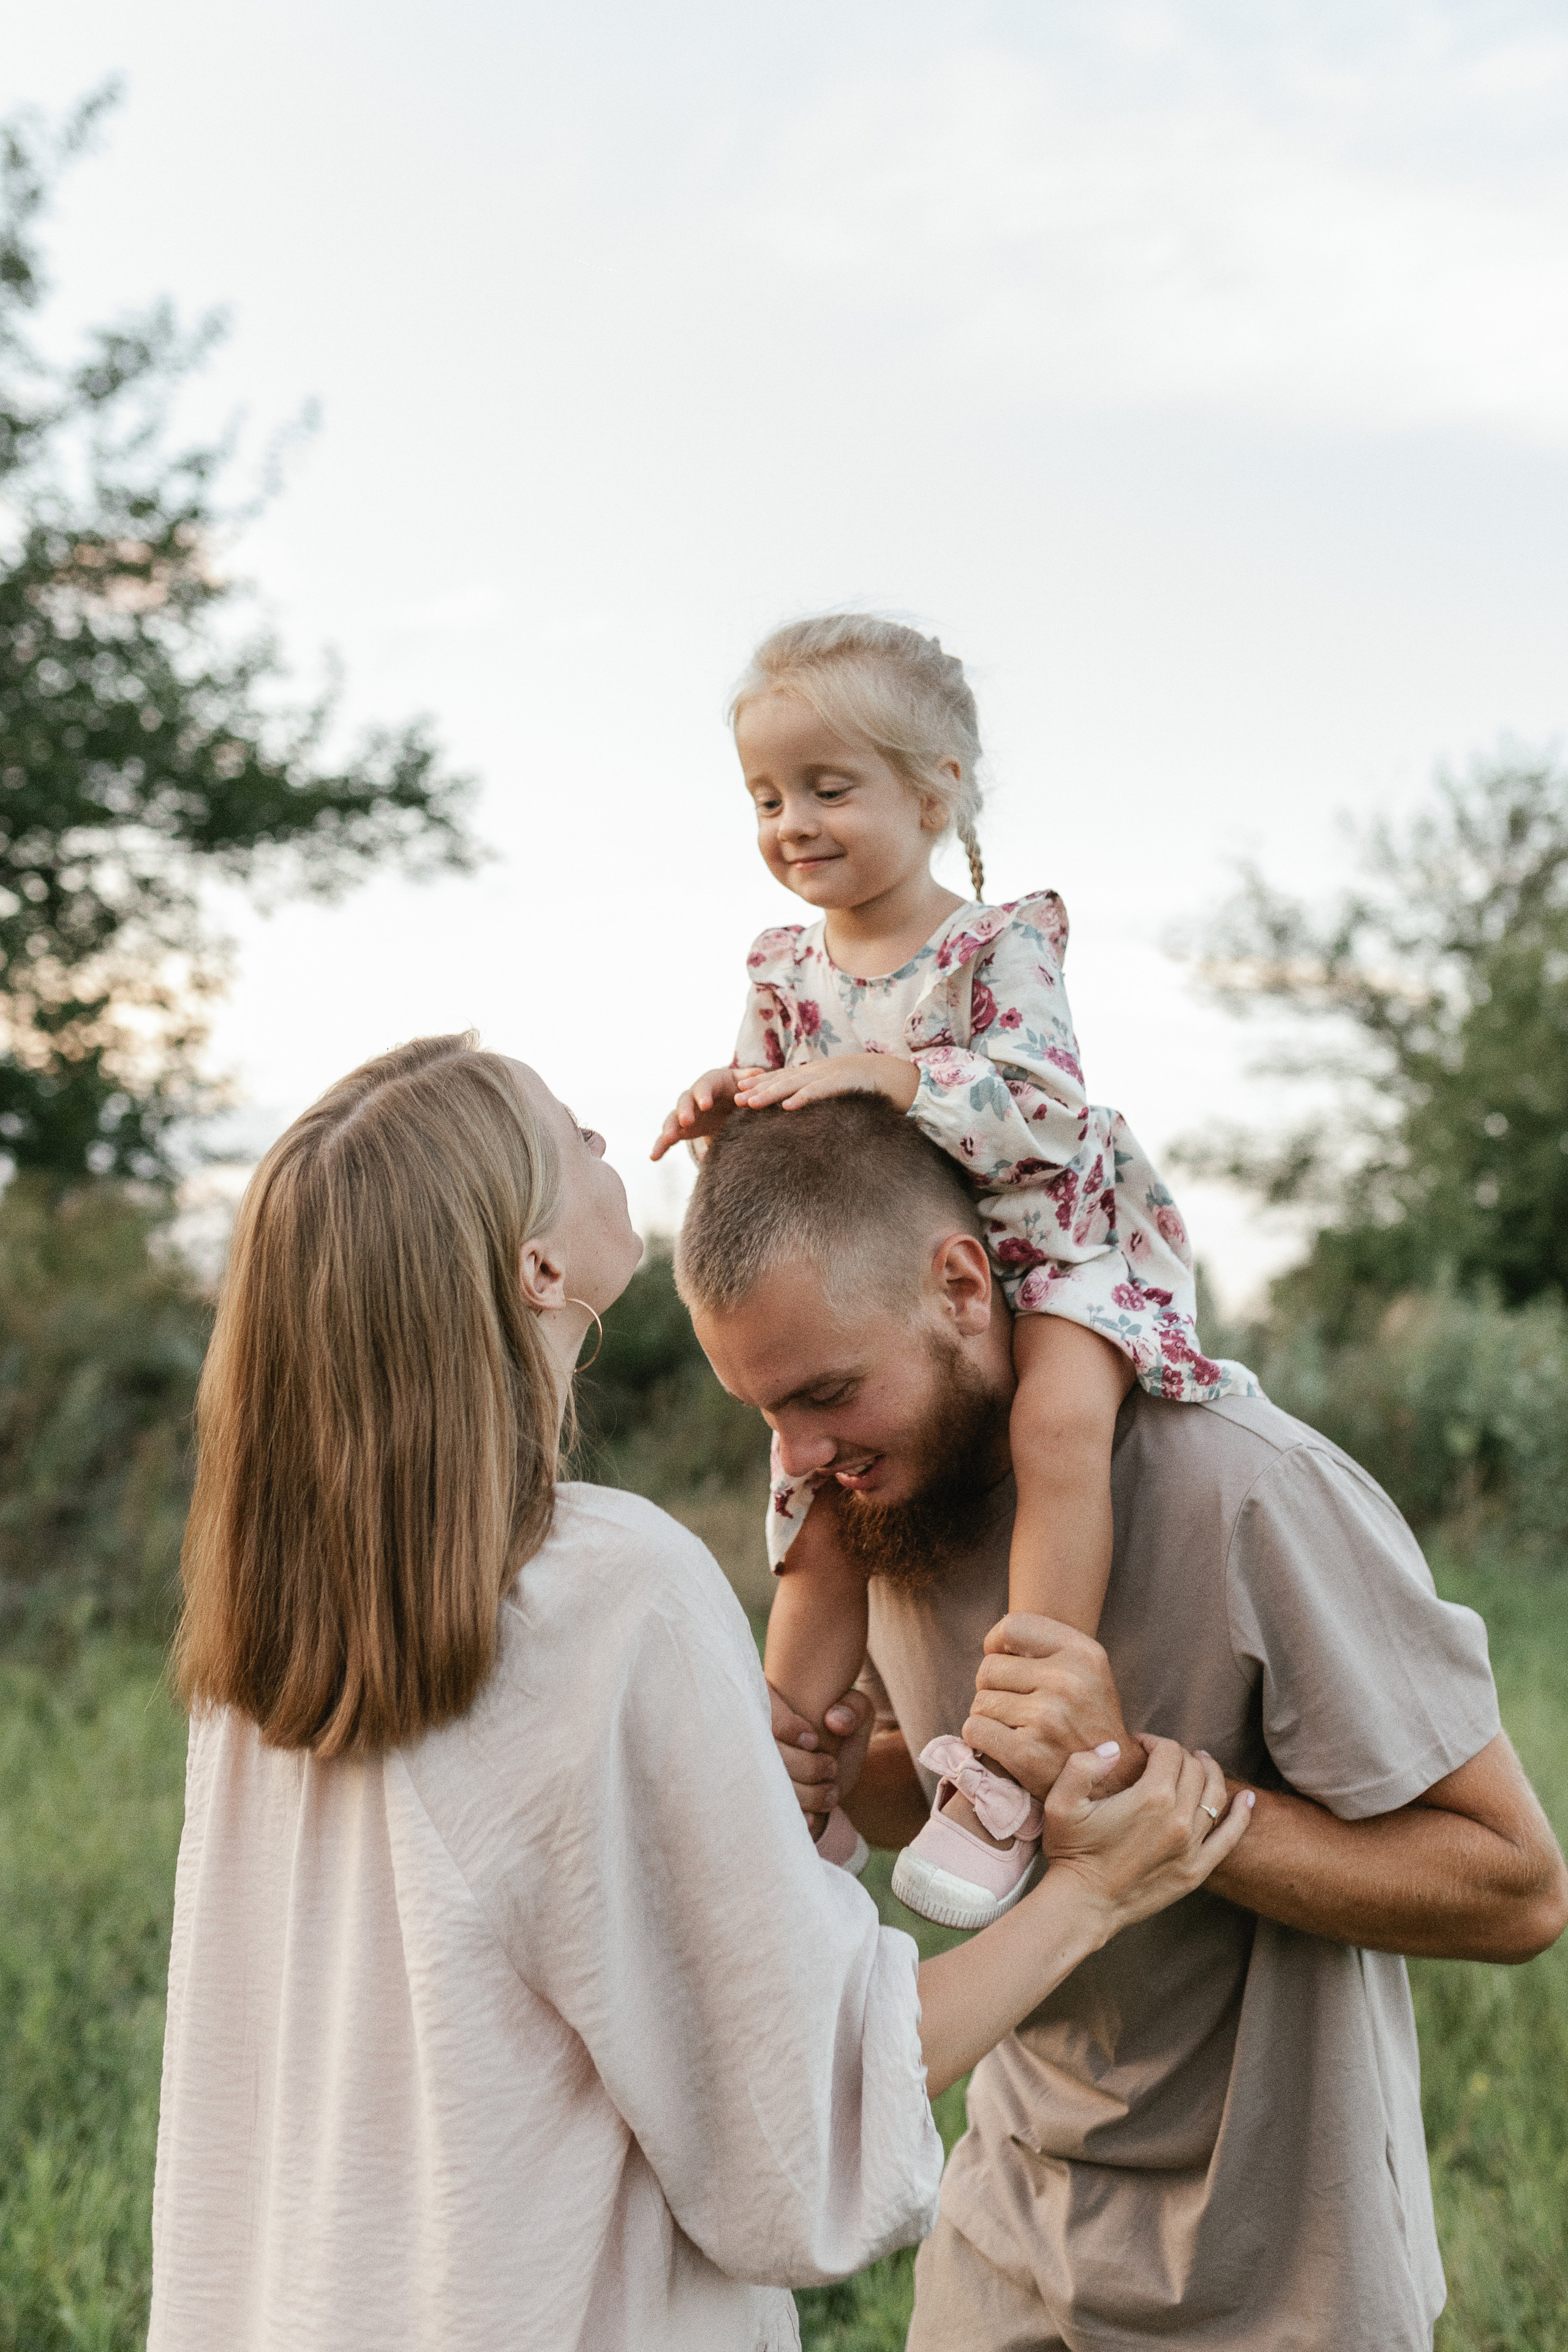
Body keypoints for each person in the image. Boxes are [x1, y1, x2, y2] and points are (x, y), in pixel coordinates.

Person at [148, 1033, 1251, 2352]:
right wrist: (1094, 1893)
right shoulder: (612, 1591)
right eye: (569, 1138)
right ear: (537, 1268)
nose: (606, 1143)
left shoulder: (270, 1635)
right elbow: (795, 2125)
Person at [674, 1091, 1568, 2352]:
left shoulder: (1249, 1490)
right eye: (766, 1414)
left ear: (960, 1285)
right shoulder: (881, 1513)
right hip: (1003, 2239)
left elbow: (1515, 1889)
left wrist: (1144, 1789)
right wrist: (841, 1769)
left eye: (828, 1392)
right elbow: (939, 1806)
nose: (802, 1455)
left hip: (1281, 2283)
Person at [653, 612, 1254, 1931]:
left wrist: (895, 1074)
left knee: (1053, 1427)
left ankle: (1001, 1773)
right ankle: (785, 1786)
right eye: (764, 796)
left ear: (935, 792)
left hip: (1043, 1252)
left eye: (827, 787)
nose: (791, 822)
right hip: (886, 1289)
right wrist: (727, 1100)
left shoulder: (996, 946)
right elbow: (786, 1146)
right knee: (812, 1522)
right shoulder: (776, 967)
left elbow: (1043, 1104)